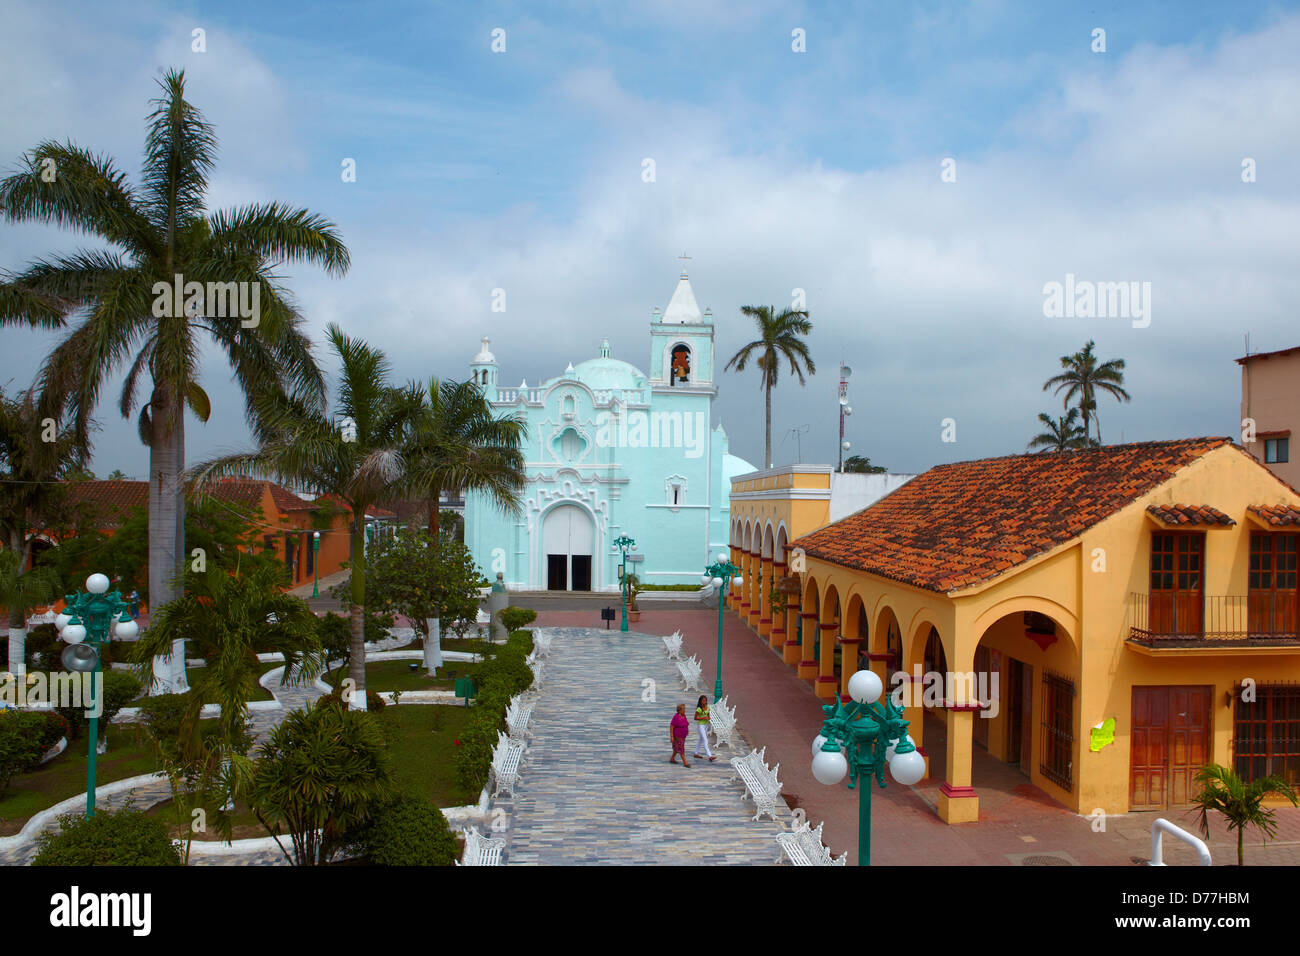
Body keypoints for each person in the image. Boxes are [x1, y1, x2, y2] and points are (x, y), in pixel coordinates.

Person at [693, 694, 717, 761]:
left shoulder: (707, 707)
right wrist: (703, 717)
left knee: (701, 739)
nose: (704, 702)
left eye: (705, 701)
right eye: (703, 701)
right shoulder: (699, 709)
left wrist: (708, 718)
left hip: (706, 725)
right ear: (700, 701)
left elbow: (708, 716)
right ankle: (709, 755)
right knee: (705, 740)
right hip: (701, 725)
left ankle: (696, 753)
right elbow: (695, 718)